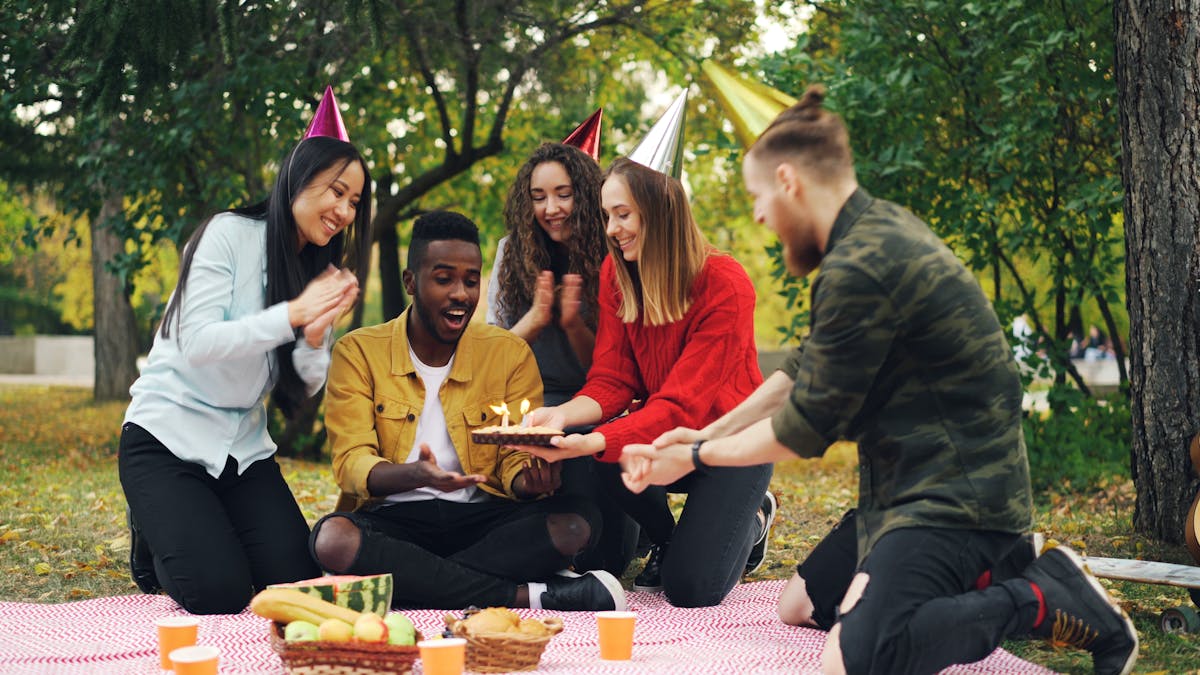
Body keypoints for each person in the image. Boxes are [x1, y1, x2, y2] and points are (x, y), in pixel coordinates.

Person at [620, 86, 1138, 675]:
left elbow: (803, 429)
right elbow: (798, 373)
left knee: (855, 658)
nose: (760, 216)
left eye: (758, 197)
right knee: (800, 606)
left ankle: (1038, 596)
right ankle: (998, 569)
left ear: (788, 181)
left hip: (956, 500)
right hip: (897, 491)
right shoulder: (871, 232)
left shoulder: (861, 264)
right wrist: (705, 431)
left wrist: (694, 453)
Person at [309, 210, 626, 612]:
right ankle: (526, 595)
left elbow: (513, 462)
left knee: (575, 526)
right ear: (411, 282)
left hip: (485, 522)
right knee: (333, 539)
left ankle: (412, 584)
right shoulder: (358, 352)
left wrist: (530, 481)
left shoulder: (508, 353)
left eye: (471, 280)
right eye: (444, 279)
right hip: (396, 522)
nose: (461, 293)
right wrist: (414, 476)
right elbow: (351, 464)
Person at [119, 131, 371, 614]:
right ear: (298, 179)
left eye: (354, 201)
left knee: (296, 583)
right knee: (219, 593)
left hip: (243, 450)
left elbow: (301, 386)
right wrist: (293, 314)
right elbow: (197, 343)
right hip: (166, 439)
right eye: (336, 192)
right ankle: (153, 537)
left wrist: (316, 336)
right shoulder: (227, 233)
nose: (344, 211)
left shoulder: (316, 268)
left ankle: (201, 527)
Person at [518, 157, 776, 608]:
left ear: (660, 210)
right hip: (668, 440)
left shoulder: (725, 283)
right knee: (601, 447)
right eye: (606, 216)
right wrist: (559, 417)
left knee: (690, 590)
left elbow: (682, 407)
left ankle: (752, 520)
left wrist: (590, 440)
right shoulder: (617, 276)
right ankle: (668, 538)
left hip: (729, 444)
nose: (612, 229)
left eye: (623, 214)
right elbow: (612, 380)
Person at [487, 141, 638, 576]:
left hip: (597, 403)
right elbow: (492, 358)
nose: (551, 208)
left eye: (564, 194)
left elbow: (614, 374)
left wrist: (573, 325)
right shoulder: (510, 252)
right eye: (538, 197)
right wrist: (535, 321)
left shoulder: (616, 252)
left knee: (608, 559)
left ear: (587, 196)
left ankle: (642, 529)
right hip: (531, 401)